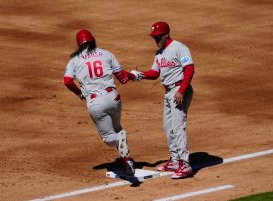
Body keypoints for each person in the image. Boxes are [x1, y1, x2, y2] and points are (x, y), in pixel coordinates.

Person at [63, 29, 136, 175]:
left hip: (96, 102)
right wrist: (133, 75)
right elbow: (122, 77)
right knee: (117, 128)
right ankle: (128, 163)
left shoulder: (75, 60)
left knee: (110, 138)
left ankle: (118, 138)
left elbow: (67, 81)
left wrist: (79, 93)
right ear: (93, 40)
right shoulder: (106, 53)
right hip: (114, 98)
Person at [130, 22, 195, 179]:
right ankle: (174, 160)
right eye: (154, 37)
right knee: (168, 127)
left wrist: (181, 90)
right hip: (168, 93)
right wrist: (140, 75)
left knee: (178, 128)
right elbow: (154, 73)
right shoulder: (159, 54)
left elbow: (189, 69)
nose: (156, 39)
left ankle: (185, 165)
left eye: (158, 36)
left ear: (166, 34)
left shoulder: (179, 48)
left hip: (180, 91)